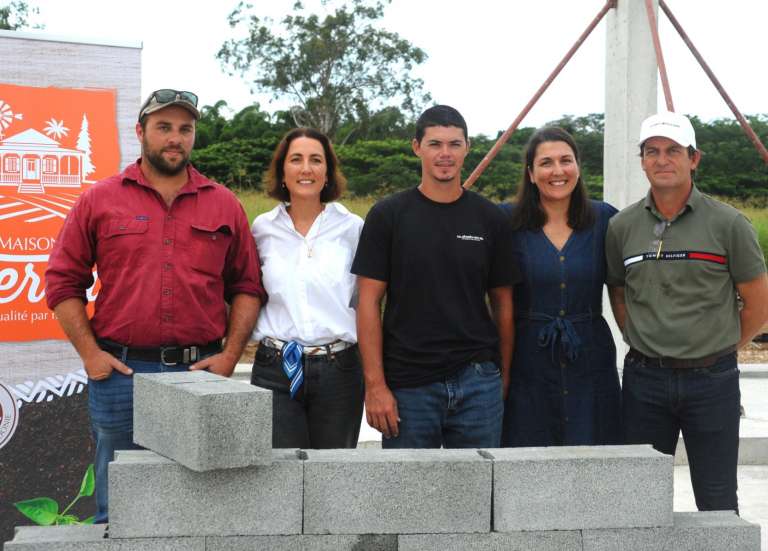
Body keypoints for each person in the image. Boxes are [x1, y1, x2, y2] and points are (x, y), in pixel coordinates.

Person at [45, 89, 266, 523]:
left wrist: (230, 356)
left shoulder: (224, 203)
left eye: (185, 129)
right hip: (122, 375)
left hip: (200, 374)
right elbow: (62, 281)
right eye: (164, 127)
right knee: (119, 510)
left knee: (201, 505)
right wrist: (91, 355)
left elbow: (247, 286)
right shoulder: (100, 199)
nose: (175, 138)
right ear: (141, 131)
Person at [606, 111, 768, 512]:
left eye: (673, 150)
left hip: (712, 383)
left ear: (693, 158)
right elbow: (619, 294)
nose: (662, 160)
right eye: (652, 151)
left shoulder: (729, 224)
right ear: (642, 160)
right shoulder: (622, 227)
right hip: (644, 381)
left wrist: (721, 347)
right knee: (640, 501)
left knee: (717, 500)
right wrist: (642, 338)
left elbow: (758, 301)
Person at [351, 105, 519, 448]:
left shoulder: (490, 218)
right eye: (435, 144)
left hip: (478, 382)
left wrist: (502, 376)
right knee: (408, 482)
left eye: (454, 144)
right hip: (409, 384)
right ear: (417, 147)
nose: (445, 154)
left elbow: (503, 304)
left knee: (477, 481)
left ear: (467, 148)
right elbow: (367, 302)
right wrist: (375, 385)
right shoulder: (388, 216)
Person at [501, 127, 621, 447]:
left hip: (591, 355)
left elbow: (627, 285)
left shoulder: (605, 219)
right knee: (528, 448)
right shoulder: (506, 221)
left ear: (578, 167)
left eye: (566, 160)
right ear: (530, 173)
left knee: (593, 448)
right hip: (527, 358)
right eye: (546, 163)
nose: (557, 171)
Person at [250, 127, 364, 449]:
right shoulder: (262, 229)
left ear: (327, 172)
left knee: (332, 471)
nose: (306, 169)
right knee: (280, 471)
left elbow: (365, 301)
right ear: (282, 171)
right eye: (296, 159)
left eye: (316, 160)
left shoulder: (352, 228)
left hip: (339, 370)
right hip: (275, 368)